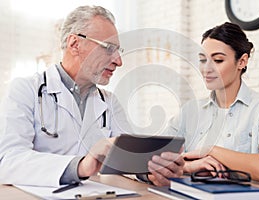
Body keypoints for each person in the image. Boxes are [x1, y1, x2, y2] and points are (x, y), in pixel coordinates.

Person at [0, 5, 184, 187]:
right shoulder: (26, 89)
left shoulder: (109, 102)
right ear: (75, 44)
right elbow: (9, 161)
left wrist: (152, 172)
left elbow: (128, 159)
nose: (118, 61)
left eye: (118, 51)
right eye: (109, 48)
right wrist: (80, 166)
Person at [164, 22, 259, 186]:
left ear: (242, 62)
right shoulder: (190, 111)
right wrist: (188, 166)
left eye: (217, 60)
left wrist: (211, 150)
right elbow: (153, 159)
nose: (206, 69)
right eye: (203, 60)